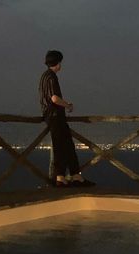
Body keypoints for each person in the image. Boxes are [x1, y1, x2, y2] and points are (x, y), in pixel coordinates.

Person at [39, 50, 95, 187]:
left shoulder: (44, 76)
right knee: (64, 145)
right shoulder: (51, 77)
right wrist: (68, 105)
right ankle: (65, 177)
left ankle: (68, 176)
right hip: (55, 115)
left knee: (64, 145)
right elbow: (54, 98)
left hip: (50, 115)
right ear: (57, 63)